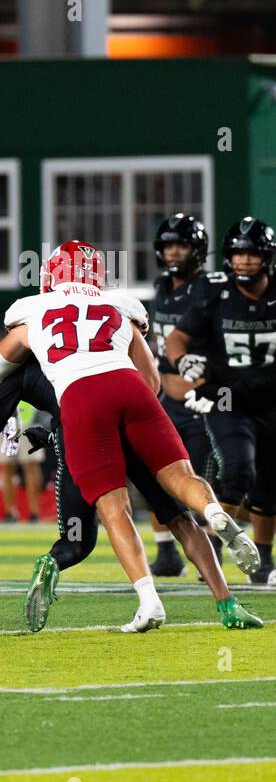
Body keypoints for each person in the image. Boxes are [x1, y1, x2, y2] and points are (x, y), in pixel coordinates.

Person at [0, 240, 260, 633]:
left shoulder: (30, 312)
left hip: (82, 405)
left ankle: (149, 601)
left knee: (113, 511)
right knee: (183, 493)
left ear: (50, 276)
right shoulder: (120, 305)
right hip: (130, 390)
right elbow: (151, 381)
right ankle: (220, 542)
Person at [0, 354, 257, 631]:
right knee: (180, 516)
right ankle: (227, 602)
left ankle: (65, 567)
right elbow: (151, 379)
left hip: (82, 428)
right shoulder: (96, 333)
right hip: (129, 406)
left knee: (82, 537)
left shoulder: (19, 374)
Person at [165, 217, 276, 585]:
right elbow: (176, 338)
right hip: (229, 400)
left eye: (251, 254)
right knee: (237, 470)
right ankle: (213, 547)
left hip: (272, 402)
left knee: (269, 484)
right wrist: (184, 362)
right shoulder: (215, 294)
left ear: (266, 257)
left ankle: (263, 561)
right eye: (238, 254)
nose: (243, 261)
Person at [144, 213, 221, 578]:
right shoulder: (161, 285)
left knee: (206, 475)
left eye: (182, 245)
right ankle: (166, 552)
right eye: (168, 245)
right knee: (152, 472)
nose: (174, 252)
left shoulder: (210, 288)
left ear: (198, 249)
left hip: (202, 394)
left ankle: (213, 546)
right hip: (163, 395)